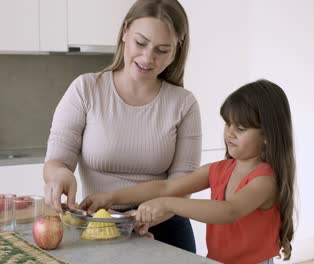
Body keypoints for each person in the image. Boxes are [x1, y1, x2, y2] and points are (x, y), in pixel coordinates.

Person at [43, 0, 201, 253]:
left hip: (164, 231)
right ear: (125, 31)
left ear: (176, 51)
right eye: (141, 43)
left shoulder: (184, 104)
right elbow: (56, 162)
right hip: (98, 229)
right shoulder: (86, 90)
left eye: (162, 50)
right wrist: (60, 176)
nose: (148, 58)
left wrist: (141, 218)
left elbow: (183, 187)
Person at [80, 79, 296, 264]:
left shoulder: (265, 181)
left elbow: (229, 211)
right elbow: (167, 186)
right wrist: (112, 197)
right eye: (228, 124)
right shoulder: (219, 169)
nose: (230, 133)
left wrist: (167, 203)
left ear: (268, 135)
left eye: (240, 128)